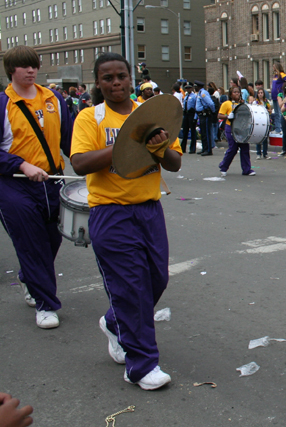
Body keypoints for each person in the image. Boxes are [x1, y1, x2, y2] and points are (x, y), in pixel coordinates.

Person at [71, 52, 182, 391]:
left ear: (131, 78)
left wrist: (160, 146)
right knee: (131, 289)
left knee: (155, 281)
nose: (116, 82)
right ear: (98, 82)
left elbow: (174, 163)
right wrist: (127, 143)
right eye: (108, 77)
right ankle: (141, 365)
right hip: (111, 213)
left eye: (121, 75)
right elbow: (79, 163)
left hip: (149, 211)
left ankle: (113, 321)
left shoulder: (149, 115)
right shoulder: (90, 118)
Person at [0, 46, 72, 329]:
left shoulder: (53, 98)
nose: (30, 71)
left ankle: (29, 277)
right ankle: (46, 304)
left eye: (34, 65)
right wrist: (21, 165)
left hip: (53, 181)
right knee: (32, 243)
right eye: (23, 66)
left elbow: (70, 140)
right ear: (11, 71)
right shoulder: (3, 103)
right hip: (15, 186)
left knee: (53, 239)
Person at [217, 86, 256, 176]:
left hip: (241, 128)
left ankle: (246, 169)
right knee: (233, 148)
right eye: (234, 92)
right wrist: (227, 116)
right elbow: (219, 115)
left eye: (238, 92)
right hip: (230, 127)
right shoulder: (226, 103)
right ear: (231, 94)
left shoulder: (242, 103)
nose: (237, 94)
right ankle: (223, 166)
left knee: (245, 148)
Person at [194, 81, 216, 156]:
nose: (195, 88)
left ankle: (208, 150)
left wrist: (212, 112)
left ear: (198, 86)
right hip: (201, 115)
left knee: (206, 133)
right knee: (203, 133)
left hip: (205, 114)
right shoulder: (199, 93)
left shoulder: (203, 93)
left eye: (195, 86)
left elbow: (210, 103)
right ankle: (204, 148)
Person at [271, 62, 286, 136]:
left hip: (279, 95)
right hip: (274, 96)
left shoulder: (282, 74)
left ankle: (280, 128)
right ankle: (277, 128)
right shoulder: (275, 75)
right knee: (276, 113)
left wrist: (283, 89)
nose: (273, 67)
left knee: (280, 113)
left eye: (274, 66)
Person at [251, 88, 271, 159]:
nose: (260, 94)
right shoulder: (255, 102)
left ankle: (265, 153)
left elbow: (270, 110)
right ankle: (258, 153)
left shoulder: (267, 102)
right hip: (258, 121)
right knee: (258, 137)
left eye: (261, 93)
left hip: (265, 121)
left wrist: (268, 110)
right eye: (259, 93)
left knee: (265, 138)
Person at [180, 84, 197, 154]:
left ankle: (192, 148)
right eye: (186, 88)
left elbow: (196, 107)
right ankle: (183, 148)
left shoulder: (194, 96)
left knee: (193, 131)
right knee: (185, 131)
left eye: (189, 88)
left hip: (191, 113)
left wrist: (195, 117)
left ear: (191, 88)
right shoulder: (186, 96)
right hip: (186, 114)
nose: (187, 89)